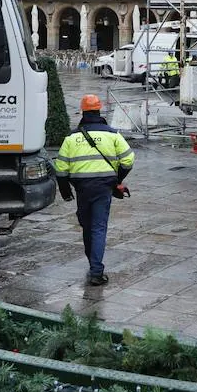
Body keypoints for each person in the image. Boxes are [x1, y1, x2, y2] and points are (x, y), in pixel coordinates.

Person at [53, 94, 135, 286]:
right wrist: (116, 181)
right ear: (99, 110)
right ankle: (96, 271)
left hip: (82, 189)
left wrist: (65, 192)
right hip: (103, 188)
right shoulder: (112, 135)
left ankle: (94, 264)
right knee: (98, 228)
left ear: (82, 111)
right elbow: (128, 160)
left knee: (87, 227)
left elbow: (61, 169)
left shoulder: (71, 138)